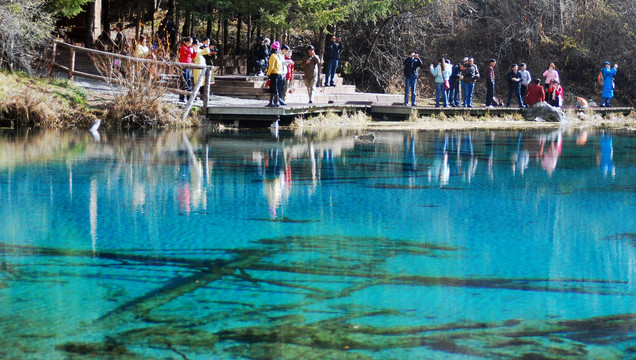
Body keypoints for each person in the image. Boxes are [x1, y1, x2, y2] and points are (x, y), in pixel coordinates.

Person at [265, 41, 285, 107]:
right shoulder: (279, 56)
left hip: (274, 73)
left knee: (274, 88)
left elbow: (271, 66)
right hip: (279, 73)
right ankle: (272, 102)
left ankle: (275, 102)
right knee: (273, 88)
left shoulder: (273, 56)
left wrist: (268, 73)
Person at [178, 37, 196, 102]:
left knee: (188, 81)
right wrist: (192, 48)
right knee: (184, 81)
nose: (191, 44)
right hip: (183, 65)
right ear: (186, 42)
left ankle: (189, 97)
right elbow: (188, 51)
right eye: (190, 42)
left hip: (188, 65)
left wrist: (194, 50)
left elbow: (193, 55)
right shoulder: (183, 47)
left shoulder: (190, 48)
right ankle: (181, 97)